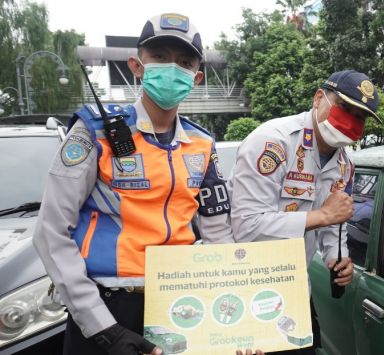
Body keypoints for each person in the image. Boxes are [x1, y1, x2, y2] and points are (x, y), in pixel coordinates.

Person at [32, 13, 261, 355]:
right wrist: (104, 330)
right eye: (160, 57)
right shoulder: (94, 131)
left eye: (184, 62)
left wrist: (235, 324)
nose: (172, 68)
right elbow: (50, 232)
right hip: (106, 309)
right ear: (136, 66)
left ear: (196, 78)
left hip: (180, 307)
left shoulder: (202, 144)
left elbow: (218, 235)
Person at [229, 70, 381, 354]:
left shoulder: (346, 165)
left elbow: (334, 224)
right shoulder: (273, 142)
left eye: (361, 116)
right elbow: (246, 227)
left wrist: (339, 258)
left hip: (296, 291)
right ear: (318, 99)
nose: (351, 120)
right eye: (345, 108)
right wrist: (322, 216)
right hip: (247, 289)